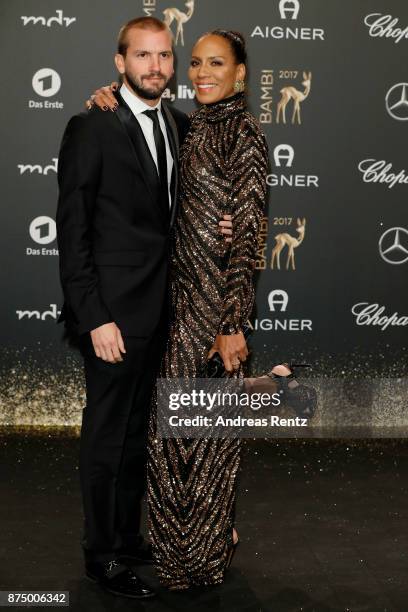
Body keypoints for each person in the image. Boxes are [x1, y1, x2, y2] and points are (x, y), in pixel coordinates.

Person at [56, 17, 232, 600]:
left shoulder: (182, 127)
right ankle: (100, 555)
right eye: (143, 56)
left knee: (137, 436)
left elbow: (191, 210)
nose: (155, 67)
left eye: (164, 56)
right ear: (119, 62)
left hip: (164, 313)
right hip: (111, 317)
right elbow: (73, 232)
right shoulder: (91, 126)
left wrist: (222, 223)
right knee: (107, 439)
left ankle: (129, 537)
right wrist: (94, 317)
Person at [88, 28, 271, 589]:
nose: (201, 72)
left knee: (208, 440)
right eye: (194, 62)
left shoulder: (242, 133)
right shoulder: (188, 126)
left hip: (214, 312)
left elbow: (249, 236)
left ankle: (205, 552)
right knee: (173, 441)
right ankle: (177, 550)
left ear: (241, 72)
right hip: (172, 308)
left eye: (217, 63)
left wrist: (233, 323)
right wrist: (108, 95)